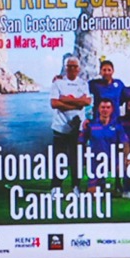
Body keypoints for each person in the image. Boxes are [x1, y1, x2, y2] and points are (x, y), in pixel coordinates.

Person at [50, 55, 91, 187]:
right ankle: (56, 187)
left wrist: (65, 98)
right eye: (69, 66)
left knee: (77, 160)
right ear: (65, 68)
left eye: (75, 66)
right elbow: (55, 103)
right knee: (58, 160)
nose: (72, 69)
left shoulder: (83, 84)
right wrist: (76, 104)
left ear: (79, 69)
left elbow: (86, 101)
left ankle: (76, 186)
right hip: (60, 127)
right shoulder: (58, 83)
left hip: (78, 129)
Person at [79, 97, 125, 193]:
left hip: (112, 160)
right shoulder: (90, 125)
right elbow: (81, 141)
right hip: (95, 162)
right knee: (93, 193)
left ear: (112, 109)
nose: (105, 110)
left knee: (122, 167)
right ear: (98, 109)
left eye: (108, 107)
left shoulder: (117, 126)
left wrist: (126, 158)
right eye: (103, 107)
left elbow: (125, 143)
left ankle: (118, 184)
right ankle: (98, 184)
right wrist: (83, 157)